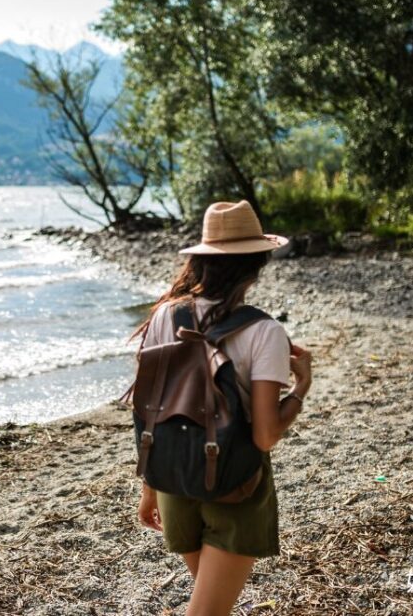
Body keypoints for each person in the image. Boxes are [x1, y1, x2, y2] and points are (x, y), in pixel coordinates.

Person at [128, 200, 313, 615]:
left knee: (212, 606)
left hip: (174, 478)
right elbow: (265, 435)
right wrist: (301, 388)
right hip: (235, 486)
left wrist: (150, 486)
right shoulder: (264, 332)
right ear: (258, 263)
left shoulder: (163, 316)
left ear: (204, 259)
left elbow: (151, 410)